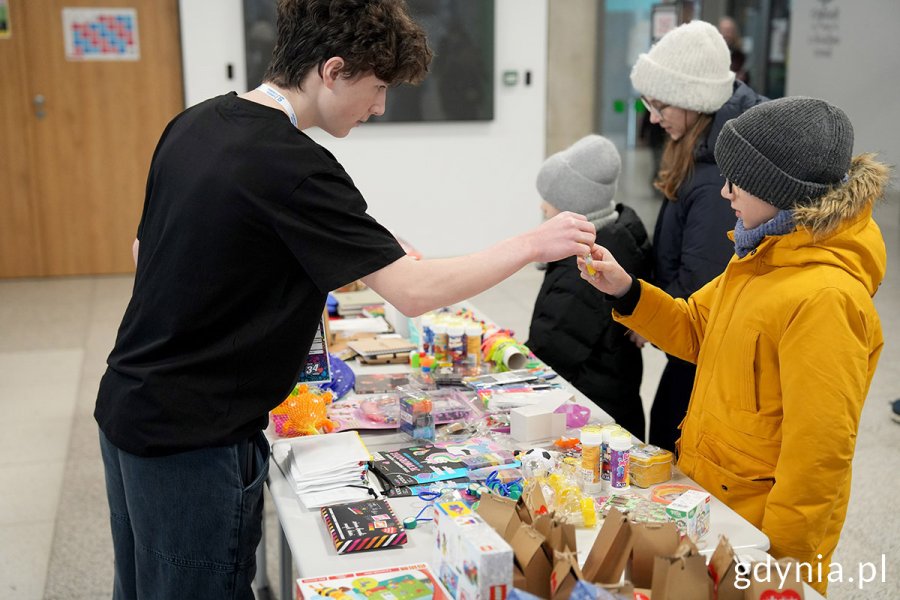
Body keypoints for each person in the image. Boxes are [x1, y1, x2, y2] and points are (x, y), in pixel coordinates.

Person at [93, 1, 597, 598]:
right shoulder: (297, 166)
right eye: (378, 87)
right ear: (332, 71)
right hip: (193, 438)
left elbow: (148, 251)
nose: (379, 107)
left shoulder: (194, 123)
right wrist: (531, 243)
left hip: (127, 405)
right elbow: (413, 291)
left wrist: (319, 255)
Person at [579, 96, 888, 595]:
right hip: (713, 505)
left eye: (737, 180)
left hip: (758, 537)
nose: (724, 191)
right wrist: (628, 291)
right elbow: (695, 328)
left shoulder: (826, 299)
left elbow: (817, 462)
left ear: (780, 190)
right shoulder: (758, 256)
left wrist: (780, 570)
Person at [629, 19, 766, 451]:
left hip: (697, 346)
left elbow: (703, 274)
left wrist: (652, 316)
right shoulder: (702, 146)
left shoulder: (715, 177)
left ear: (695, 100)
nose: (653, 118)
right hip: (691, 340)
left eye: (660, 105)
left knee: (671, 438)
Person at [526, 135, 652, 438]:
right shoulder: (619, 236)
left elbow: (551, 354)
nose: (543, 207)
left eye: (550, 201)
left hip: (592, 419)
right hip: (618, 400)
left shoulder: (582, 270)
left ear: (573, 208)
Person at [718, 16, 749, 84]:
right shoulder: (712, 51)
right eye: (724, 30)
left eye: (729, 31)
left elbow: (744, 75)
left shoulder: (739, 55)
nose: (727, 34)